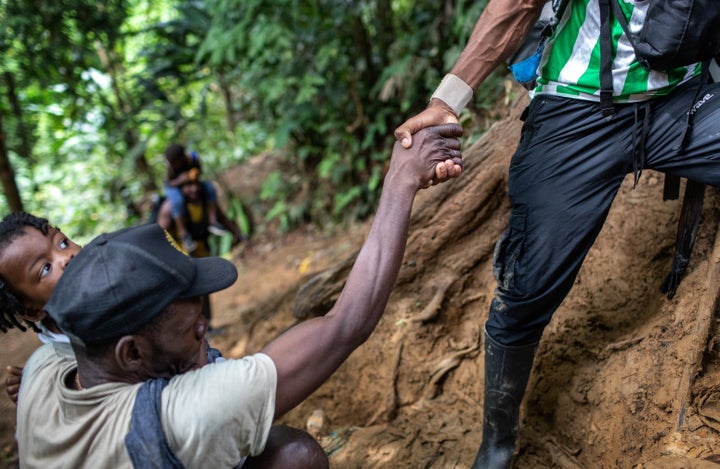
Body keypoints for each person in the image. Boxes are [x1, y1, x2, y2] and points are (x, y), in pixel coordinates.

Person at [15, 124, 464, 468]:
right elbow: (345, 324)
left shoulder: (41, 371)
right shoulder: (186, 415)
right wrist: (401, 181)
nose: (204, 331)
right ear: (131, 353)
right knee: (297, 456)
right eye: (192, 331)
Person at [393, 1, 720, 467]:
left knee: (526, 289)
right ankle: (497, 441)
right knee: (527, 287)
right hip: (578, 109)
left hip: (686, 97)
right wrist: (447, 101)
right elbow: (518, 5)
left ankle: (496, 448)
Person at [0, 212, 81, 403]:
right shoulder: (57, 358)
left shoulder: (114, 276)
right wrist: (37, 387)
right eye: (45, 269)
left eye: (62, 243)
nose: (66, 257)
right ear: (33, 311)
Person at [157, 170, 246, 330]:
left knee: (204, 289)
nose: (193, 189)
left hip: (200, 251)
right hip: (179, 256)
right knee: (187, 295)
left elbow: (222, 218)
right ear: (179, 189)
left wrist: (238, 234)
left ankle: (207, 326)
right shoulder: (170, 208)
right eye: (187, 186)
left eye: (195, 184)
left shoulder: (205, 201)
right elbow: (156, 237)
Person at [164, 143, 226, 252]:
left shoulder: (193, 157)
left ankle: (213, 221)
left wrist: (194, 174)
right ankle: (183, 233)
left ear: (181, 157)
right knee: (178, 201)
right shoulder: (170, 166)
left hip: (192, 182)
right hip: (174, 187)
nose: (173, 164)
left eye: (175, 162)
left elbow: (200, 170)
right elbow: (169, 183)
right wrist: (181, 180)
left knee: (210, 189)